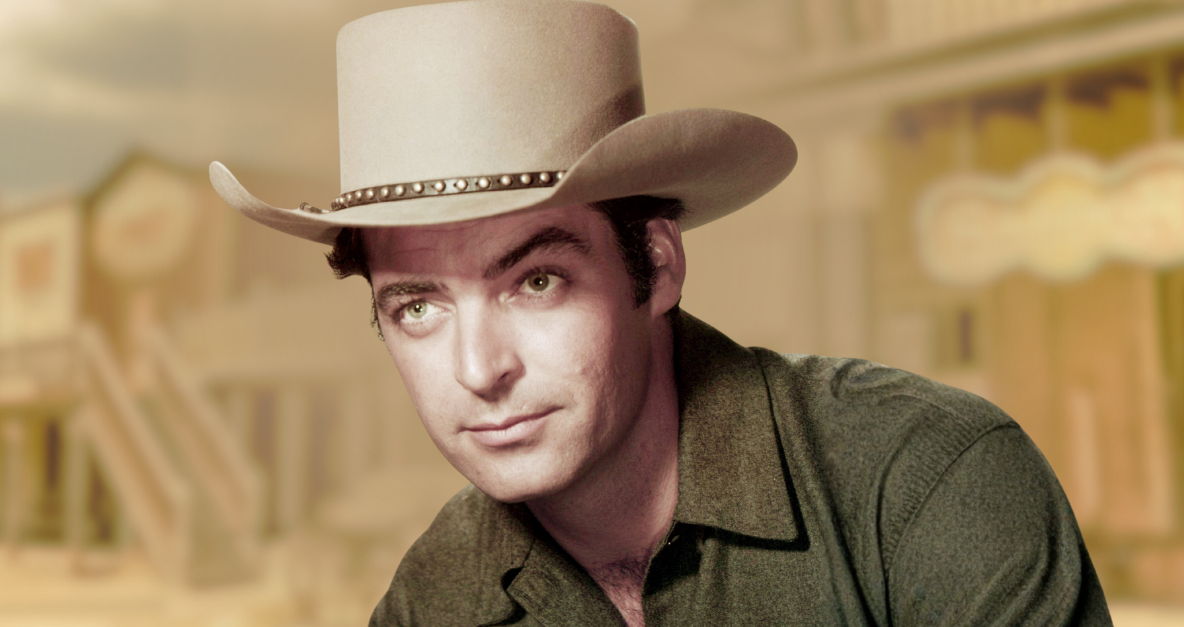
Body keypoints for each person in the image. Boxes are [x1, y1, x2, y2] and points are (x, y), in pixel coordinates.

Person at [210, 1, 1112, 624]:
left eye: (536, 282)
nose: (479, 369)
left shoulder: (924, 483)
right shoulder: (434, 601)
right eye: (417, 306)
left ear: (658, 264)